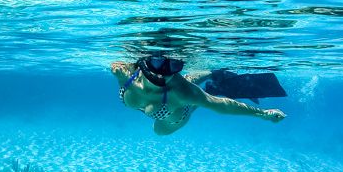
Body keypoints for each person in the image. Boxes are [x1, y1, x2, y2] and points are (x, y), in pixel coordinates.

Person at [111, 56, 287, 135]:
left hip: (174, 117)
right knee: (188, 79)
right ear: (145, 61)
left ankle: (211, 86)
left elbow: (220, 105)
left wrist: (263, 114)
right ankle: (211, 73)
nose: (163, 72)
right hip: (166, 102)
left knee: (159, 131)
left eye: (173, 66)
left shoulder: (182, 92)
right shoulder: (127, 72)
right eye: (157, 62)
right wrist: (120, 77)